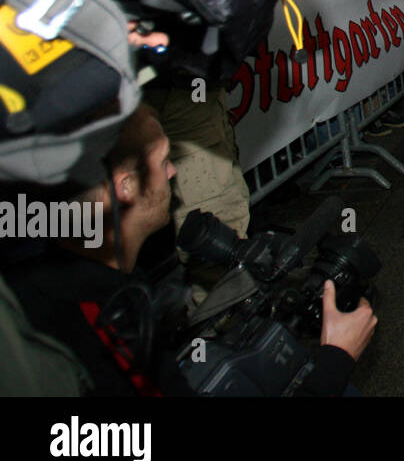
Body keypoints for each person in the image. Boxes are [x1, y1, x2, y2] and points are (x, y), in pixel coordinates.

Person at [4, 106, 377, 395]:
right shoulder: (101, 326)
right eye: (165, 160)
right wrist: (335, 358)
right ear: (126, 186)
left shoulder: (93, 283)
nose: (171, 174)